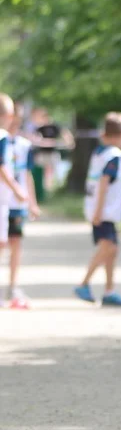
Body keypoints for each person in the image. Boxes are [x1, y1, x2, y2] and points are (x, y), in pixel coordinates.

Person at [75, 113, 121, 307]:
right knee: (108, 247)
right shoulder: (114, 156)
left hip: (102, 208)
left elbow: (111, 185)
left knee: (112, 250)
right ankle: (84, 283)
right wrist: (99, 211)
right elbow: (104, 183)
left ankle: (109, 290)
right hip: (103, 211)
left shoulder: (99, 152)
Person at [3, 106, 39, 308]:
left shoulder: (24, 145)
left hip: (16, 203)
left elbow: (26, 174)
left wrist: (31, 203)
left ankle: (13, 284)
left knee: (15, 243)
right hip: (2, 200)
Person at [0, 95, 29, 303]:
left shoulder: (19, 144)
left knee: (8, 242)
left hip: (8, 202)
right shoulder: (2, 137)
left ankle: (12, 287)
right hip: (4, 200)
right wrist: (17, 189)